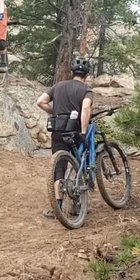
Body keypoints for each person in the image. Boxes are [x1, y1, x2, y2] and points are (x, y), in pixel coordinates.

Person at [36, 56, 94, 219]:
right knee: (80, 163)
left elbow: (40, 101)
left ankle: (58, 207)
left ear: (72, 72)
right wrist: (83, 132)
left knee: (59, 167)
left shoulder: (58, 86)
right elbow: (85, 109)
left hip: (57, 130)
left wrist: (54, 112)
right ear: (86, 75)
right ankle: (78, 204)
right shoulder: (86, 91)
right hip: (74, 131)